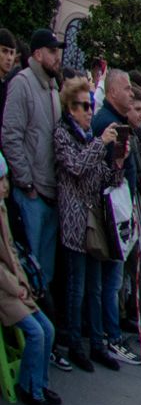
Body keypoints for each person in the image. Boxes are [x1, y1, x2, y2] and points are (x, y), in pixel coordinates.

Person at [53, 76, 127, 371]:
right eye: (83, 106)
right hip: (74, 224)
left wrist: (119, 161)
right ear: (69, 108)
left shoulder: (87, 138)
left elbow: (103, 179)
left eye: (90, 105)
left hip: (94, 225)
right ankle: (74, 343)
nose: (88, 111)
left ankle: (96, 344)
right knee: (77, 288)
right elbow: (76, 167)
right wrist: (101, 143)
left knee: (94, 289)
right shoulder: (62, 135)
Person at [3, 30, 64, 292]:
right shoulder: (23, 83)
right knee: (30, 269)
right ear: (38, 54)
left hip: (50, 193)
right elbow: (11, 135)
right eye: (52, 51)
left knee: (45, 274)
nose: (57, 57)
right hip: (32, 194)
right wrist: (26, 183)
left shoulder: (52, 89)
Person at [0, 164, 61, 405]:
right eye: (1, 180)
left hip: (14, 286)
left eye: (5, 179)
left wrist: (23, 282)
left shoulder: (3, 209)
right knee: (36, 332)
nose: (6, 185)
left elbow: (13, 253)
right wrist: (17, 287)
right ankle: (32, 390)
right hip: (5, 291)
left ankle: (38, 384)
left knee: (48, 328)